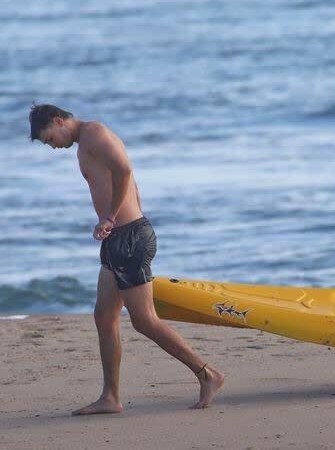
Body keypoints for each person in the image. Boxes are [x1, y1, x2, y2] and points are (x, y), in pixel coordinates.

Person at [29, 103, 224, 414]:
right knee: (104, 316)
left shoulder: (94, 133)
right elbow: (130, 183)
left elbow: (125, 170)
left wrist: (112, 217)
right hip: (120, 237)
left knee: (144, 320)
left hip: (128, 237)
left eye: (50, 138)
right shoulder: (86, 143)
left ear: (58, 121)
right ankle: (110, 397)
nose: (53, 146)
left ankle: (207, 374)